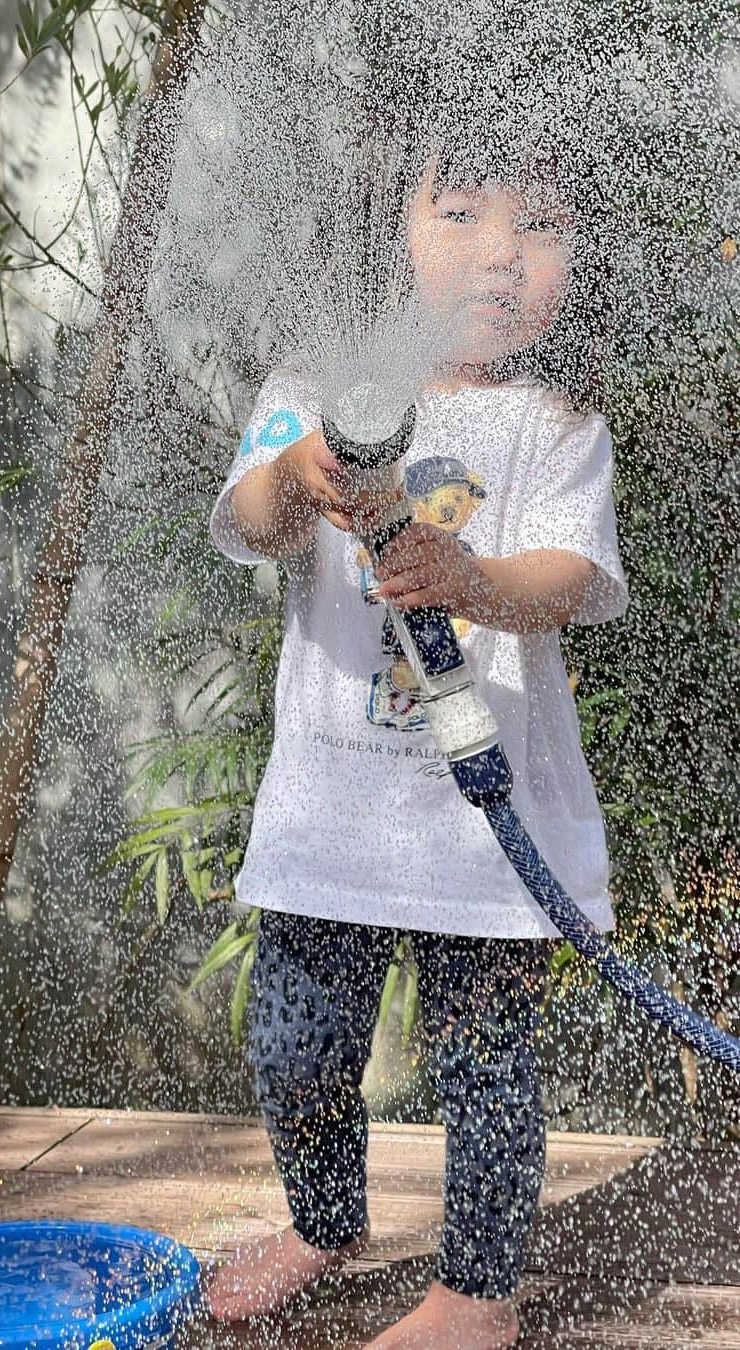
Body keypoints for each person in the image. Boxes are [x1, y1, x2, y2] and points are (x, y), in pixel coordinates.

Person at [202, 149, 630, 1349]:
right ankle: (324, 1223)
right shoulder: (312, 383)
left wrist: (476, 577)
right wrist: (294, 470)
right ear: (389, 223)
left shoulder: (554, 424)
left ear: (575, 255)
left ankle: (476, 1296)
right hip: (332, 817)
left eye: (542, 222)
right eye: (460, 211)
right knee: (294, 1044)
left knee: (483, 1069)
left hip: (484, 835)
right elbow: (252, 520)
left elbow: (568, 578)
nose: (502, 249)